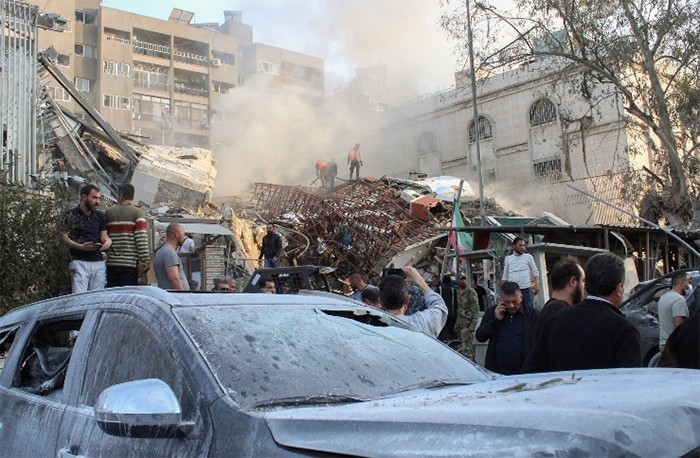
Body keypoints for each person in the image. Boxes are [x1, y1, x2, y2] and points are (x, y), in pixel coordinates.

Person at [522, 252, 641, 373]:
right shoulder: (624, 330)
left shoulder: (555, 321)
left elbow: (531, 374)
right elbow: (629, 384)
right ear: (619, 288)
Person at [476, 281, 539, 375]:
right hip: (498, 374)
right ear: (501, 299)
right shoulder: (492, 312)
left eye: (514, 301)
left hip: (526, 374)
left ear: (521, 297)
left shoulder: (532, 315)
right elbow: (480, 337)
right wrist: (495, 320)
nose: (511, 306)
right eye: (507, 302)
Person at [61, 184, 112, 293]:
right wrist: (81, 247)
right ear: (83, 197)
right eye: (94, 197)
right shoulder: (70, 214)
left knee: (97, 297)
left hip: (97, 261)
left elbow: (103, 235)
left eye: (99, 198)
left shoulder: (99, 216)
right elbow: (64, 237)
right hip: (79, 261)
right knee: (79, 297)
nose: (97, 201)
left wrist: (108, 241)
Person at [378, 266, 448, 338]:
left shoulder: (372, 328)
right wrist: (419, 280)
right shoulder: (420, 323)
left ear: (381, 302)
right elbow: (440, 307)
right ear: (408, 300)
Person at [104, 184, 150, 287]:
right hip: (129, 264)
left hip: (111, 263)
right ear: (133, 196)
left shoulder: (108, 213)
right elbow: (141, 240)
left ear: (120, 195)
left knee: (113, 295)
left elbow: (104, 236)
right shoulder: (138, 213)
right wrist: (145, 261)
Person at [532, 258, 585, 340]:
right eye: (582, 281)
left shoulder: (549, 311)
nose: (584, 286)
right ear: (573, 281)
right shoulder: (561, 314)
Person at [501, 237, 540, 307]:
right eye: (520, 245)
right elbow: (505, 275)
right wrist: (502, 291)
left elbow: (535, 271)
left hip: (526, 290)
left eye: (523, 245)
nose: (522, 247)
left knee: (528, 310)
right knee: (514, 309)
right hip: (513, 291)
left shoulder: (528, 257)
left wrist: (537, 284)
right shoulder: (508, 259)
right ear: (514, 246)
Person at [657, 271, 690, 352]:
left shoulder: (663, 297)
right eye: (688, 282)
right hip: (674, 345)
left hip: (663, 343)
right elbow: (678, 323)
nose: (689, 286)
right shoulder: (679, 299)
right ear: (682, 283)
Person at [154, 222, 189, 290]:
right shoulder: (169, 252)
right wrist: (183, 296)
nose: (184, 237)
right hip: (174, 297)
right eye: (183, 234)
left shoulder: (163, 251)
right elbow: (174, 279)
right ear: (177, 234)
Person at [455, 274, 480, 361]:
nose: (463, 281)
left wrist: (473, 324)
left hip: (468, 324)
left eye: (464, 279)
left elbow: (475, 309)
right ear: (458, 280)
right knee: (463, 347)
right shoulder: (458, 291)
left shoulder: (471, 292)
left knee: (468, 348)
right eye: (461, 279)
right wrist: (457, 324)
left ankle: (471, 364)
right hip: (461, 323)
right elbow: (459, 309)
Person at [436, 275, 458, 341]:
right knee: (451, 331)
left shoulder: (439, 289)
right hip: (451, 314)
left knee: (441, 332)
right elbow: (456, 303)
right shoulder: (453, 290)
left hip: (441, 314)